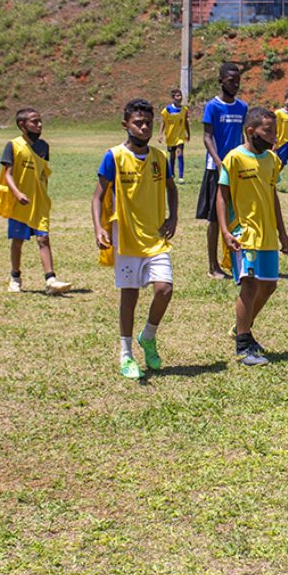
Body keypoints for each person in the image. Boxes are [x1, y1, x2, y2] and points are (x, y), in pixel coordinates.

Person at [91, 99, 178, 379]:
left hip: (155, 236)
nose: (144, 128)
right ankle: (126, 354)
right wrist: (99, 228)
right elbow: (97, 196)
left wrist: (173, 217)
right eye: (138, 123)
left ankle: (148, 336)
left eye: (148, 123)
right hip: (126, 238)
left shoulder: (159, 158)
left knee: (164, 289)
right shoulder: (114, 156)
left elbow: (171, 188)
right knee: (129, 297)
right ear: (125, 125)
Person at [217, 107, 288, 367]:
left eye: (275, 131)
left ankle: (242, 327)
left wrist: (282, 232)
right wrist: (225, 231)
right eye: (268, 131)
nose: (273, 136)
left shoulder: (272, 160)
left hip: (267, 233)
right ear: (251, 131)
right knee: (249, 285)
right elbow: (221, 196)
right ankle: (243, 346)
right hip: (243, 233)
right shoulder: (234, 158)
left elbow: (272, 196)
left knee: (269, 285)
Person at [0, 107, 72, 295]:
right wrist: (17, 193)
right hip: (20, 203)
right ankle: (15, 278)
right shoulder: (13, 145)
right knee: (18, 241)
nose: (39, 125)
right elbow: (8, 174)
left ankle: (51, 280)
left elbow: (42, 173)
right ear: (22, 125)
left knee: (43, 239)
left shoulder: (44, 147)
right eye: (34, 122)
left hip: (39, 202)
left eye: (40, 121)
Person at [196, 62, 247, 279]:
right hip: (216, 169)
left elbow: (242, 136)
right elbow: (207, 136)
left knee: (237, 216)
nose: (235, 84)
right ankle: (213, 266)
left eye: (238, 81)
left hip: (236, 168)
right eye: (231, 80)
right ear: (221, 81)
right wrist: (218, 161)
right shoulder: (213, 107)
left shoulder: (242, 107)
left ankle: (236, 262)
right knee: (215, 219)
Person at [158, 87, 190, 185]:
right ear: (173, 98)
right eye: (177, 96)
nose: (180, 97)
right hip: (170, 137)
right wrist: (160, 134)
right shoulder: (167, 109)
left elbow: (185, 122)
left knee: (180, 154)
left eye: (180, 95)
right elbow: (163, 122)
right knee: (172, 156)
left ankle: (181, 177)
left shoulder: (184, 109)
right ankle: (171, 174)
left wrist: (188, 133)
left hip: (180, 136)